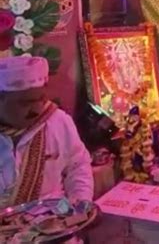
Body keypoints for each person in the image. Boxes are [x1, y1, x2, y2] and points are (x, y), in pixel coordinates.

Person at [0, 56, 93, 208]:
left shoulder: (58, 121)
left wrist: (81, 202)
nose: (37, 109)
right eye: (25, 103)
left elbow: (78, 165)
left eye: (41, 99)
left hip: (53, 223)